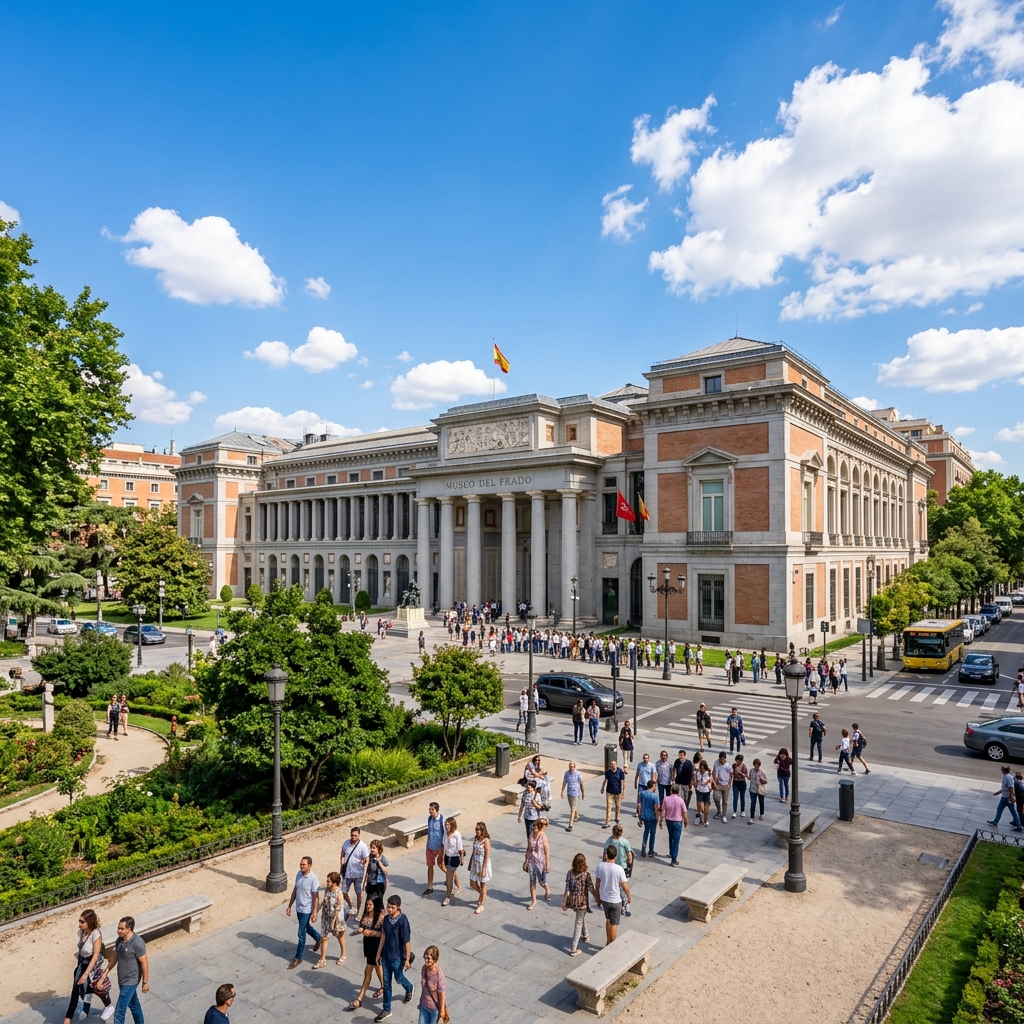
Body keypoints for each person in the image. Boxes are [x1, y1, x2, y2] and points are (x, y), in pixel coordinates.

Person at [96, 916, 149, 1024]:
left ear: (129, 929)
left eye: (121, 929)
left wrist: (145, 982)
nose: (118, 931)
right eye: (118, 928)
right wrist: (103, 977)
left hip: (131, 981)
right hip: (122, 980)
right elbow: (114, 958)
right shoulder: (119, 941)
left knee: (119, 1012)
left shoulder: (137, 943)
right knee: (134, 1005)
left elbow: (144, 963)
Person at [63, 908, 112, 1024]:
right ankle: (69, 1017)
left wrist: (85, 974)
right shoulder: (81, 932)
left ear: (89, 922)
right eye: (79, 921)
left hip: (93, 965)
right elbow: (81, 950)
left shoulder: (96, 934)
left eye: (82, 922)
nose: (80, 924)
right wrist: (80, 968)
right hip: (82, 963)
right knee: (77, 989)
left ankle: (109, 1006)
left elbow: (95, 955)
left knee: (97, 988)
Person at [375, 895, 414, 1022]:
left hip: (398, 957)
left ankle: (409, 987)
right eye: (388, 906)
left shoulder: (403, 920)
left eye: (392, 907)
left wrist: (407, 958)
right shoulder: (386, 919)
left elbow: (407, 941)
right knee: (386, 984)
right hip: (386, 956)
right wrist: (378, 953)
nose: (389, 909)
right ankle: (386, 1009)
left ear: (398, 907)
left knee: (399, 978)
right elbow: (383, 936)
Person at [347, 897, 385, 1012]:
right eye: (367, 904)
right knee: (378, 967)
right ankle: (384, 986)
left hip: (376, 948)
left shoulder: (380, 917)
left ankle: (359, 999)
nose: (368, 906)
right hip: (368, 947)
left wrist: (370, 933)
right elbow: (363, 926)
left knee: (367, 971)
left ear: (375, 905)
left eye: (370, 905)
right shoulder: (365, 915)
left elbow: (383, 934)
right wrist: (360, 930)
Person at [286, 856, 321, 969]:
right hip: (299, 908)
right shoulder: (298, 874)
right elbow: (295, 890)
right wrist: (290, 905)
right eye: (301, 864)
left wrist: (314, 912)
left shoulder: (313, 878)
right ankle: (319, 938)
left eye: (304, 864)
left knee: (301, 933)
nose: (301, 866)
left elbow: (316, 897)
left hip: (307, 909)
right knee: (306, 927)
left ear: (310, 865)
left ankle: (298, 957)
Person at [594, 844, 631, 945]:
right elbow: (624, 886)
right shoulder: (619, 869)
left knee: (608, 919)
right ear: (616, 856)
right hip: (615, 900)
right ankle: (612, 944)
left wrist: (597, 896)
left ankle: (608, 941)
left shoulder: (600, 866)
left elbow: (597, 883)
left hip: (604, 899)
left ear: (606, 854)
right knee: (614, 923)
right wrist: (629, 896)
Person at [562, 852, 598, 955]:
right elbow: (591, 888)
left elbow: (567, 890)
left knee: (581, 917)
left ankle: (586, 935)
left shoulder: (570, 873)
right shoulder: (586, 875)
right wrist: (597, 898)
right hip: (582, 903)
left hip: (573, 902)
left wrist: (564, 902)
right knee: (578, 922)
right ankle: (574, 948)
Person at [315, 872, 346, 968]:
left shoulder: (339, 892)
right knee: (324, 937)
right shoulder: (327, 890)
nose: (327, 883)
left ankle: (343, 954)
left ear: (335, 882)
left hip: (337, 919)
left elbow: (339, 907)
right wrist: (316, 911)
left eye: (329, 881)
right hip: (326, 917)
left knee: (340, 936)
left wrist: (333, 921)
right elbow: (324, 901)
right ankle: (322, 959)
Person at [340, 827, 369, 924]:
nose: (353, 837)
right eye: (352, 835)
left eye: (355, 835)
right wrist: (342, 864)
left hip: (358, 874)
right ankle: (352, 905)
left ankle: (359, 912)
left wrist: (363, 861)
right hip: (347, 873)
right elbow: (342, 854)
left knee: (359, 893)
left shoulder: (362, 846)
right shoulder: (346, 843)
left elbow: (366, 858)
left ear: (359, 835)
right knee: (344, 892)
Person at [525, 818, 551, 908]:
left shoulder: (543, 837)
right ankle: (534, 901)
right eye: (534, 825)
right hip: (531, 862)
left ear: (541, 827)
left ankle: (547, 888)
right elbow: (528, 848)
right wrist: (526, 861)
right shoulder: (531, 835)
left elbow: (546, 852)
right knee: (532, 881)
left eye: (537, 825)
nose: (535, 827)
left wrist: (547, 864)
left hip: (540, 863)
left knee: (541, 882)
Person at [988, 765, 1024, 832]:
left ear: (1004, 770)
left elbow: (1011, 788)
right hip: (1004, 798)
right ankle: (995, 821)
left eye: (1002, 769)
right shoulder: (1006, 777)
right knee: (1000, 809)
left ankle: (1019, 827)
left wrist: (1011, 797)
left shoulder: (1008, 777)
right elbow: (1005, 788)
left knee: (1013, 812)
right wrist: (998, 792)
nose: (1001, 771)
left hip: (1007, 798)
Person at [608, 823, 634, 914]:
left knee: (617, 887)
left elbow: (605, 853)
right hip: (623, 867)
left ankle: (623, 904)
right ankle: (625, 904)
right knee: (622, 886)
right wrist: (630, 864)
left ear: (612, 832)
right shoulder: (625, 841)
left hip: (613, 866)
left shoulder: (609, 841)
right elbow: (629, 854)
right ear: (621, 833)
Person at [418, 946, 447, 1024]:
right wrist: (420, 1001)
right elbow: (424, 988)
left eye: (428, 958)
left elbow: (442, 993)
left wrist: (442, 1010)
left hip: (434, 1009)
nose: (426, 960)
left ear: (435, 959)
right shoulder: (424, 969)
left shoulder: (439, 973)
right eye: (425, 957)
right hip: (424, 1005)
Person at [661, 784, 688, 865]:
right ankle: (674, 859)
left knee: (671, 836)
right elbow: (684, 812)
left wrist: (660, 821)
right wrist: (686, 821)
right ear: (678, 791)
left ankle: (671, 852)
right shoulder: (681, 800)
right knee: (676, 840)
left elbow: (663, 811)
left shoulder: (666, 799)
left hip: (668, 820)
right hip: (677, 821)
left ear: (671, 791)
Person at [468, 821, 491, 915]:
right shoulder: (476, 839)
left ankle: (481, 904)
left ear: (482, 830)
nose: (477, 831)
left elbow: (487, 855)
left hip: (482, 864)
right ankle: (483, 894)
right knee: (472, 883)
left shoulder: (486, 841)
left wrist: (484, 869)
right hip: (475, 863)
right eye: (476, 829)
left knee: (482, 883)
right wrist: (470, 862)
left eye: (478, 829)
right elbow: (473, 851)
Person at [441, 817, 464, 907]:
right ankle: (459, 887)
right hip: (447, 857)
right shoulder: (445, 833)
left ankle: (447, 897)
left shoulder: (457, 834)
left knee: (448, 878)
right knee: (452, 873)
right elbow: (443, 846)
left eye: (448, 825)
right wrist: (442, 858)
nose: (446, 826)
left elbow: (460, 848)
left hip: (454, 858)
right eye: (446, 824)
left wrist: (462, 858)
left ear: (452, 825)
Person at [423, 803, 445, 896]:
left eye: (432, 809)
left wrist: (443, 848)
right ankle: (430, 886)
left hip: (439, 848)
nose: (430, 811)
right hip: (430, 847)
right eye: (430, 809)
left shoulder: (442, 820)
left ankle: (452, 879)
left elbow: (445, 834)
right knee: (430, 866)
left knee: (442, 866)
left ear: (437, 810)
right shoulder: (429, 818)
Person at [638, 779, 661, 857]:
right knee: (652, 833)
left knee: (646, 832)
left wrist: (640, 817)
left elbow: (640, 805)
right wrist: (657, 817)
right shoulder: (654, 796)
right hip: (652, 817)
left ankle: (643, 850)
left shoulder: (642, 793)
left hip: (644, 816)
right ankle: (651, 851)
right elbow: (655, 808)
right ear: (652, 786)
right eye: (655, 786)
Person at [560, 761, 585, 832]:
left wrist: (583, 793)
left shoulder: (578, 774)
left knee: (572, 810)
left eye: (572, 766)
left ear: (574, 767)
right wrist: (562, 792)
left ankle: (570, 825)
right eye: (570, 766)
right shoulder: (567, 773)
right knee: (572, 807)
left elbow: (581, 783)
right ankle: (577, 816)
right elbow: (564, 783)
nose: (571, 767)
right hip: (569, 793)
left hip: (575, 793)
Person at [364, 840, 390, 904]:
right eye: (371, 848)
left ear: (378, 849)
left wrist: (379, 862)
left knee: (378, 904)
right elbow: (368, 869)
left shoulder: (383, 859)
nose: (371, 850)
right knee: (369, 903)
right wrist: (365, 882)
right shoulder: (370, 856)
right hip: (370, 883)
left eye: (373, 848)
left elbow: (386, 872)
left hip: (379, 884)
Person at [601, 759, 625, 827]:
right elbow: (605, 780)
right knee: (609, 807)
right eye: (612, 764)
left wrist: (623, 791)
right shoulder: (608, 772)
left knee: (618, 806)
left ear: (616, 765)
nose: (613, 765)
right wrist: (602, 788)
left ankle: (617, 818)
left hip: (618, 792)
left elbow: (623, 781)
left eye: (614, 764)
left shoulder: (620, 772)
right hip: (609, 792)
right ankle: (607, 821)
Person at [712, 752, 732, 822]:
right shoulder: (716, 763)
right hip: (718, 784)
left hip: (726, 785)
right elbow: (714, 772)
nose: (722, 761)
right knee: (716, 798)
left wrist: (729, 783)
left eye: (723, 759)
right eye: (721, 759)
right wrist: (714, 783)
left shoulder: (728, 766)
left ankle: (724, 815)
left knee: (725, 801)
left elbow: (731, 774)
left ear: (725, 759)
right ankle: (718, 811)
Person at [694, 759, 712, 826]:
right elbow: (696, 781)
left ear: (705, 768)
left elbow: (710, 781)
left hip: (706, 791)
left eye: (703, 769)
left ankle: (706, 819)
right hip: (699, 790)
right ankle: (699, 818)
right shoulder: (698, 773)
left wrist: (708, 783)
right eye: (701, 768)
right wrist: (696, 783)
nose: (701, 770)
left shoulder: (708, 773)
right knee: (699, 805)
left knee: (706, 805)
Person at [731, 754, 749, 818]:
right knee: (735, 797)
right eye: (737, 761)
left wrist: (740, 773)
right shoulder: (733, 766)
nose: (738, 762)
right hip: (735, 782)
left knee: (742, 797)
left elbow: (746, 775)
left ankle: (742, 811)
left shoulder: (744, 766)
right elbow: (731, 773)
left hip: (742, 782)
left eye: (740, 761)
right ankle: (734, 811)